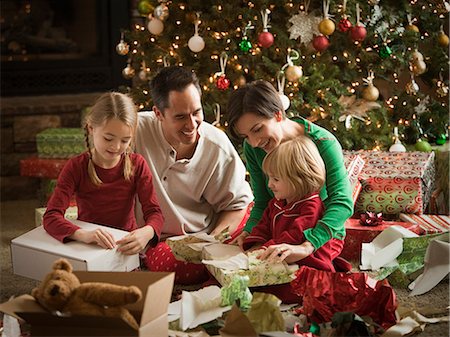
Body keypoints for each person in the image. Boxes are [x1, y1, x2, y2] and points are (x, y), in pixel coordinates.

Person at [135, 66, 253, 284]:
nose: (192, 124)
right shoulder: (133, 131)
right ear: (158, 114)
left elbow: (237, 206)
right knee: (169, 265)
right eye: (180, 117)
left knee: (251, 230)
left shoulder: (216, 146)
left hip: (202, 234)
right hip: (152, 237)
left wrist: (213, 243)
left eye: (197, 112)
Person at [227, 80, 353, 267]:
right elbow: (262, 202)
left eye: (257, 129)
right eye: (246, 136)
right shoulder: (253, 148)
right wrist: (249, 232)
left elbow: (341, 203)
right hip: (279, 227)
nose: (253, 142)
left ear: (278, 115)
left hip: (318, 233)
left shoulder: (324, 143)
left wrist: (307, 246)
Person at [44, 92, 164, 260]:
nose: (116, 147)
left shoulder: (138, 164)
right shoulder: (76, 167)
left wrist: (147, 232)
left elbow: (155, 213)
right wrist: (84, 235)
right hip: (87, 249)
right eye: (108, 138)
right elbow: (51, 216)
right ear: (91, 128)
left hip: (124, 250)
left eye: (124, 140)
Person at [242, 136, 340, 303]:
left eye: (276, 179)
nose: (269, 185)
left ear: (299, 179)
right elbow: (263, 226)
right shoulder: (277, 203)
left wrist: (265, 250)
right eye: (269, 178)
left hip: (308, 264)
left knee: (286, 291)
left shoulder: (312, 206)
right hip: (280, 257)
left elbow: (294, 236)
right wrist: (255, 245)